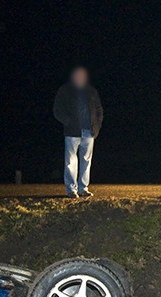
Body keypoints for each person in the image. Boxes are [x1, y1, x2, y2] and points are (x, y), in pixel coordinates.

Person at [53, 67, 104, 198]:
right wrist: (67, 121)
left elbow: (99, 110)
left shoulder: (91, 91)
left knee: (86, 161)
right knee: (70, 161)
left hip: (89, 132)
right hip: (72, 131)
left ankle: (83, 188)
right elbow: (57, 109)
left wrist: (96, 127)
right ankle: (71, 189)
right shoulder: (65, 90)